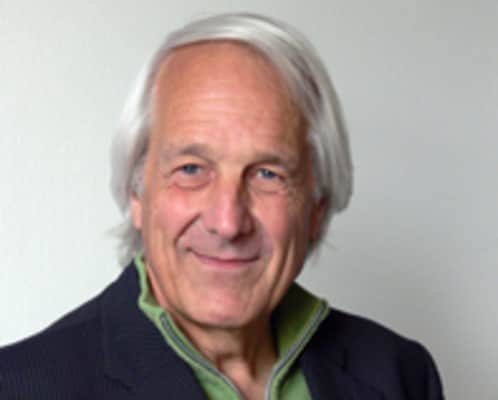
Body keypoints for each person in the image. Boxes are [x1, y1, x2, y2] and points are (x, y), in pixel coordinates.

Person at [0, 13, 444, 400]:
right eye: (192, 169)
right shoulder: (19, 387)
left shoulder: (398, 373)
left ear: (316, 208)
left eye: (268, 174)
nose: (228, 222)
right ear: (137, 193)